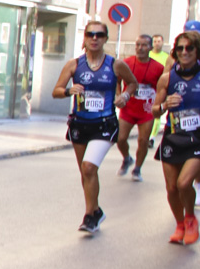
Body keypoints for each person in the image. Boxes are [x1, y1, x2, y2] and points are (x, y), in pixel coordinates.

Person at [52, 21, 138, 233]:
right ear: (85, 37)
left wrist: (125, 96)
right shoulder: (74, 65)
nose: (94, 38)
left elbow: (133, 83)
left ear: (105, 38)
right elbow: (56, 90)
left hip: (104, 124)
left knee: (90, 167)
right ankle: (96, 210)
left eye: (99, 35)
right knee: (85, 171)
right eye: (90, 34)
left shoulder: (115, 64)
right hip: (80, 123)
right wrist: (68, 91)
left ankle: (90, 216)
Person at [151, 29, 200, 244]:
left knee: (183, 183)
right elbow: (154, 110)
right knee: (171, 188)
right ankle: (180, 224)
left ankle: (190, 218)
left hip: (197, 139)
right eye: (180, 48)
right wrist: (164, 105)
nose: (184, 51)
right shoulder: (167, 79)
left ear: (197, 50)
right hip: (173, 137)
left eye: (189, 47)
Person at [115, 34, 163, 181]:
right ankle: (127, 158)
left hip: (147, 110)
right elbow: (117, 80)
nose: (140, 48)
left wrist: (159, 105)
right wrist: (119, 96)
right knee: (120, 138)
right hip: (129, 108)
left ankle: (137, 169)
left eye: (144, 45)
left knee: (143, 141)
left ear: (150, 47)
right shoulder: (127, 63)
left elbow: (162, 88)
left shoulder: (158, 67)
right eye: (137, 45)